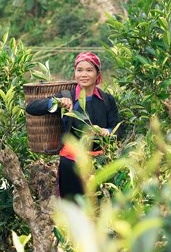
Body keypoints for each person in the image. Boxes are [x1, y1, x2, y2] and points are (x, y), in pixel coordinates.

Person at [26, 52, 121, 199]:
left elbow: (117, 129)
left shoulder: (107, 100)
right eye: (80, 70)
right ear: (74, 73)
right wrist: (54, 103)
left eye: (89, 70)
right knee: (72, 210)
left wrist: (107, 132)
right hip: (70, 163)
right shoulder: (67, 97)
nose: (84, 74)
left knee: (99, 210)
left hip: (99, 163)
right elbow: (31, 108)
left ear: (97, 74)